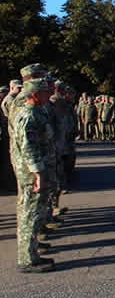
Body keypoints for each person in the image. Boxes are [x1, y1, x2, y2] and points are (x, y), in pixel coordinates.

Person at [12, 78, 56, 273]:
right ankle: (27, 260)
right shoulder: (29, 116)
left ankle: (32, 253)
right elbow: (29, 148)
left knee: (35, 213)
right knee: (30, 215)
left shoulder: (38, 113)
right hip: (32, 174)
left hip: (39, 170)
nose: (48, 95)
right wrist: (38, 174)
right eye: (45, 92)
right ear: (34, 95)